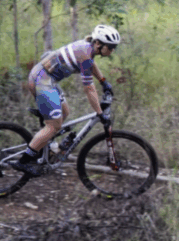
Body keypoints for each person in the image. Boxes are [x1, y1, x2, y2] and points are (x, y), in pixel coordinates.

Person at [12, 25, 121, 175]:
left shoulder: (88, 50)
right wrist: (99, 112)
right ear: (98, 44)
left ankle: (46, 148)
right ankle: (23, 161)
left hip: (47, 80)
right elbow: (89, 88)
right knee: (54, 126)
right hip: (41, 81)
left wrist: (103, 81)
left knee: (65, 112)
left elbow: (91, 64)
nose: (112, 50)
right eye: (111, 47)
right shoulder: (85, 53)